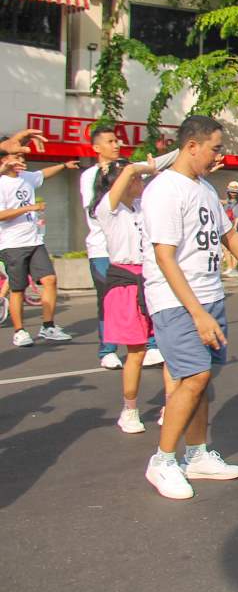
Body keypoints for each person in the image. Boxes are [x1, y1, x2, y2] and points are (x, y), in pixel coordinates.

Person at [142, 115, 238, 500]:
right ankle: (162, 461)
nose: (218, 156)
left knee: (202, 379)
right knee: (193, 378)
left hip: (209, 294)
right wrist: (198, 313)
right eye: (215, 148)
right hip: (177, 301)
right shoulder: (165, 191)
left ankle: (197, 454)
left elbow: (229, 238)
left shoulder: (203, 188)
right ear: (192, 146)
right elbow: (165, 258)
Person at [91, 159, 175, 433]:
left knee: (167, 347)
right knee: (136, 352)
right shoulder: (108, 209)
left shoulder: (142, 206)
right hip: (126, 282)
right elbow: (128, 172)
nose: (142, 182)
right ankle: (129, 409)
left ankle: (172, 404)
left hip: (153, 277)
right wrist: (145, 167)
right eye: (137, 178)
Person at [80, 124, 171, 369]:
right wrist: (138, 170)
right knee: (110, 302)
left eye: (116, 140)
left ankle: (149, 345)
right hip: (104, 250)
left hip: (138, 258)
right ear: (96, 147)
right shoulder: (91, 177)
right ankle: (107, 349)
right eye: (110, 141)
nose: (116, 144)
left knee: (144, 300)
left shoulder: (133, 193)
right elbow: (101, 204)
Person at [1, 154, 79, 347]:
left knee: (50, 280)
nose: (21, 159)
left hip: (35, 241)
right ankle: (20, 331)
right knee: (18, 289)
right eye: (16, 156)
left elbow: (43, 173)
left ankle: (48, 326)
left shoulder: (26, 177)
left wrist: (63, 164)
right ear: (4, 161)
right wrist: (31, 207)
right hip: (12, 244)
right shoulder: (1, 183)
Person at [221, 181, 238, 277]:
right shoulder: (228, 201)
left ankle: (234, 268)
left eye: (235, 192)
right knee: (225, 248)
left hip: (235, 227)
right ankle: (229, 267)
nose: (233, 194)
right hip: (225, 226)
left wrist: (235, 227)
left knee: (234, 248)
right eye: (231, 192)